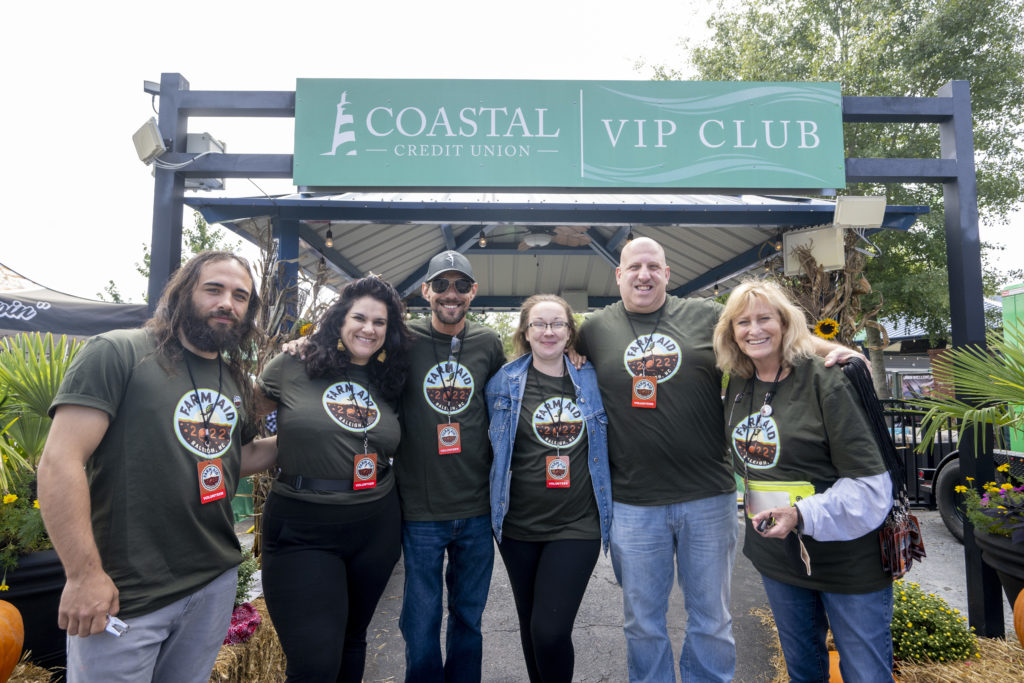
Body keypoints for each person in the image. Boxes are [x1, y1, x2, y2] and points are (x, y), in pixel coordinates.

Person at [575, 237, 863, 682]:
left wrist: (837, 352)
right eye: (634, 267)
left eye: (654, 266)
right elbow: (555, 355)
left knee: (712, 620)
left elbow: (770, 334)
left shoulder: (705, 316)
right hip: (633, 503)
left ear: (668, 274)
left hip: (708, 497)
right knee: (641, 623)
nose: (644, 275)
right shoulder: (594, 329)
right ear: (618, 275)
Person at [38, 251, 278, 683]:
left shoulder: (235, 378)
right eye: (214, 289)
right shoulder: (119, 352)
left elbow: (235, 460)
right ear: (184, 292)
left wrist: (316, 433)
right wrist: (83, 576)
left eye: (240, 296)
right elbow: (59, 462)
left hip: (212, 582)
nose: (228, 302)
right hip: (127, 590)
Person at [713, 279, 894, 683]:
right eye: (743, 322)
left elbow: (870, 486)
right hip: (778, 558)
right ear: (730, 333)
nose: (754, 330)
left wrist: (799, 514)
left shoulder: (825, 379)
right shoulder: (740, 382)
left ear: (785, 323)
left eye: (765, 319)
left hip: (847, 561)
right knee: (803, 671)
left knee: (866, 674)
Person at [254, 276, 413, 682]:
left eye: (380, 322)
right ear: (340, 320)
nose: (369, 329)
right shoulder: (293, 365)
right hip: (302, 526)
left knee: (352, 641)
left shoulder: (390, 380)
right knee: (314, 665)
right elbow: (240, 426)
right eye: (359, 317)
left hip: (375, 523)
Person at [485, 294, 611, 683]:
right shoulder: (502, 383)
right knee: (530, 626)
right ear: (525, 331)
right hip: (518, 525)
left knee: (550, 630)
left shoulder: (593, 378)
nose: (548, 331)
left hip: (576, 524)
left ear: (571, 332)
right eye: (539, 323)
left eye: (557, 323)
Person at [394, 251, 506, 682]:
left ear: (473, 292)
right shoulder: (403, 341)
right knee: (420, 622)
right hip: (421, 510)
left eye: (461, 285)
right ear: (426, 291)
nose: (451, 294)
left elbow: (503, 403)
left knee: (468, 618)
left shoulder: (488, 343)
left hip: (477, 509)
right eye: (441, 285)